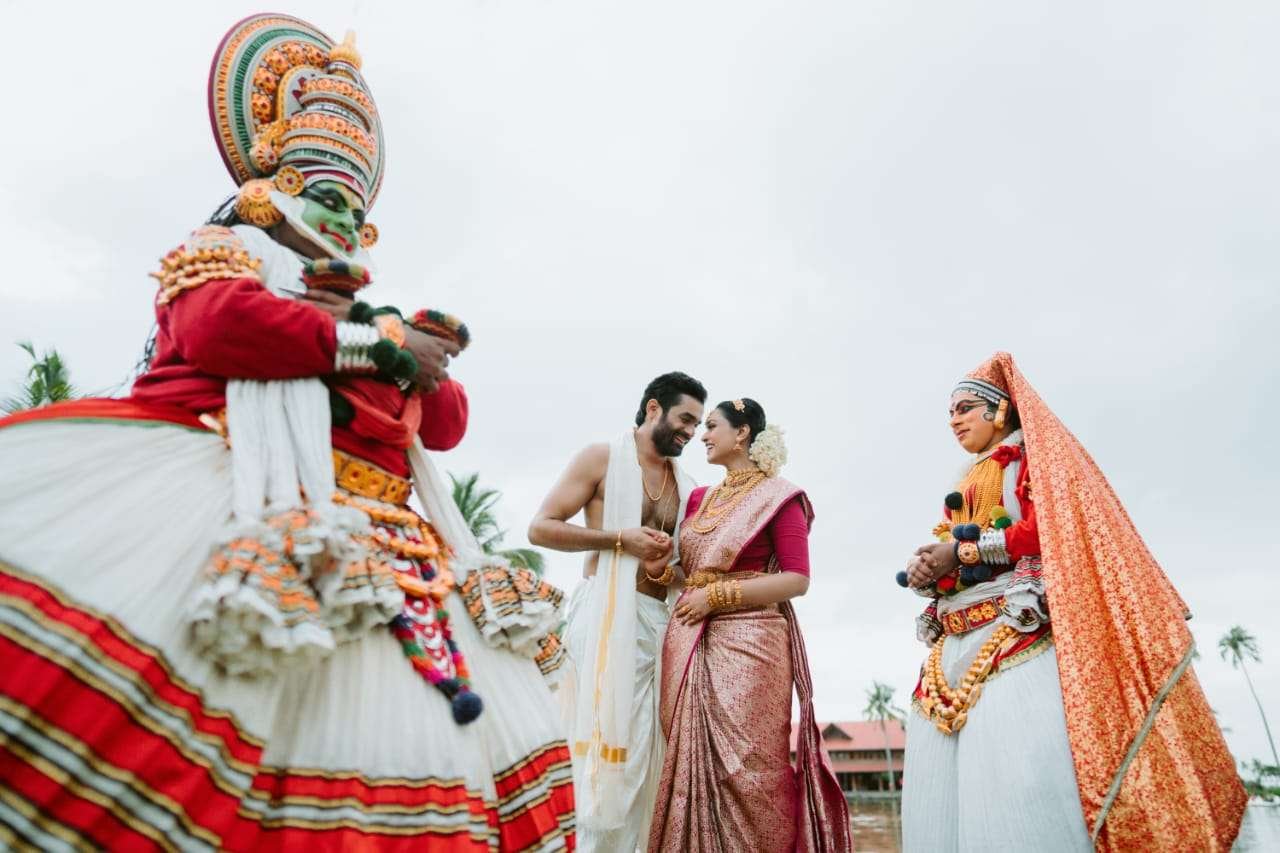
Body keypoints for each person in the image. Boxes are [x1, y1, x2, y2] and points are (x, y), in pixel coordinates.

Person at [0, 14, 573, 850]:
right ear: (272, 186)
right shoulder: (229, 249)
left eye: (356, 212)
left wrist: (406, 352)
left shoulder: (370, 312)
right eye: (327, 198)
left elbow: (445, 425)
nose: (343, 222)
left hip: (385, 550)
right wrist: (377, 345)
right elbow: (219, 327)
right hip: (235, 492)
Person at [899, 352, 1245, 852]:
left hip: (1018, 629)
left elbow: (1047, 529)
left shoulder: (1031, 463)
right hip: (955, 637)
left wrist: (963, 551)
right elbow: (955, 545)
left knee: (1017, 783)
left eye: (965, 408)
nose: (954, 419)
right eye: (950, 412)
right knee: (939, 799)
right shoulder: (966, 479)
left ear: (1001, 410)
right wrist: (931, 569)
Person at [645, 398, 850, 853]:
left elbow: (796, 580)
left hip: (753, 643)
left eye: (712, 426)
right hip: (692, 639)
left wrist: (716, 598)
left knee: (750, 770)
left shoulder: (780, 497)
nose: (702, 436)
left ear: (742, 433)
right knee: (694, 765)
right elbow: (693, 574)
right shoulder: (700, 498)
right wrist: (663, 571)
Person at [527, 371, 705, 852]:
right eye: (685, 419)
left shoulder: (687, 486)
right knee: (601, 757)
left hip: (657, 626)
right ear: (654, 408)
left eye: (698, 423)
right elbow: (540, 528)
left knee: (646, 757)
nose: (691, 431)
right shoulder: (601, 458)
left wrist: (665, 571)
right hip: (603, 621)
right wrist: (619, 539)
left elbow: (683, 573)